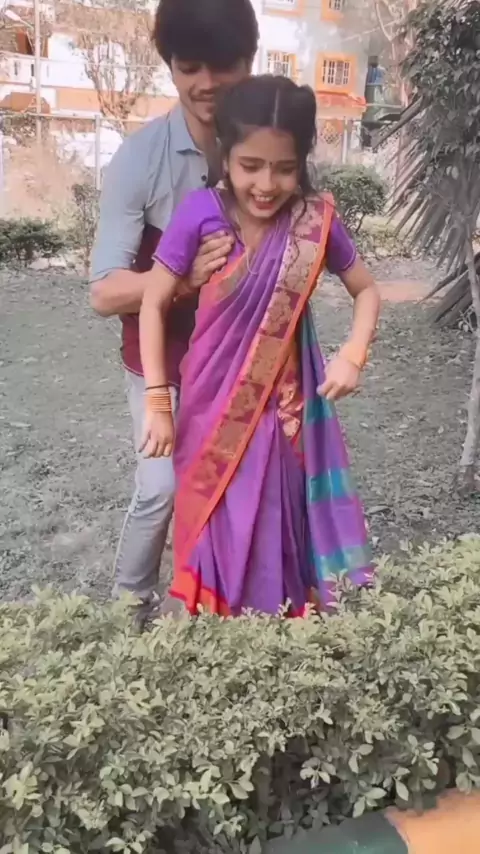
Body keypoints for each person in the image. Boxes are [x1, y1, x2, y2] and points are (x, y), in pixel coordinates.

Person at [139, 75, 381, 616]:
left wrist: (353, 353)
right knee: (213, 520)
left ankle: (278, 632)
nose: (267, 184)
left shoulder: (314, 221)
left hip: (285, 414)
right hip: (210, 409)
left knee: (279, 522)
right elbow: (154, 303)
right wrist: (157, 402)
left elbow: (366, 291)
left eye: (284, 168)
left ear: (303, 161)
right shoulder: (200, 212)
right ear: (225, 153)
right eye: (250, 165)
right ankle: (216, 634)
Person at [89, 0, 259, 617]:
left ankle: (215, 602)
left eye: (223, 65)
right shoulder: (140, 159)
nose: (206, 84)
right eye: (189, 68)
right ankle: (129, 604)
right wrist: (180, 280)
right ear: (170, 66)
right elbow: (104, 292)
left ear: (250, 61)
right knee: (161, 485)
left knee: (237, 480)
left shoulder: (267, 145)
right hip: (160, 357)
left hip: (238, 357)